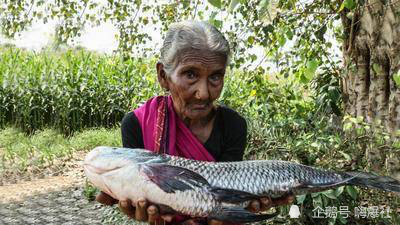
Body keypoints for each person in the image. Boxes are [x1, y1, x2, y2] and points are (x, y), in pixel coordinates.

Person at [96, 20, 294, 225]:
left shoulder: (233, 125)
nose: (203, 93)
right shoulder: (137, 124)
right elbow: (139, 194)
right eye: (190, 74)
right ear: (163, 76)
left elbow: (226, 195)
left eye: (215, 77)